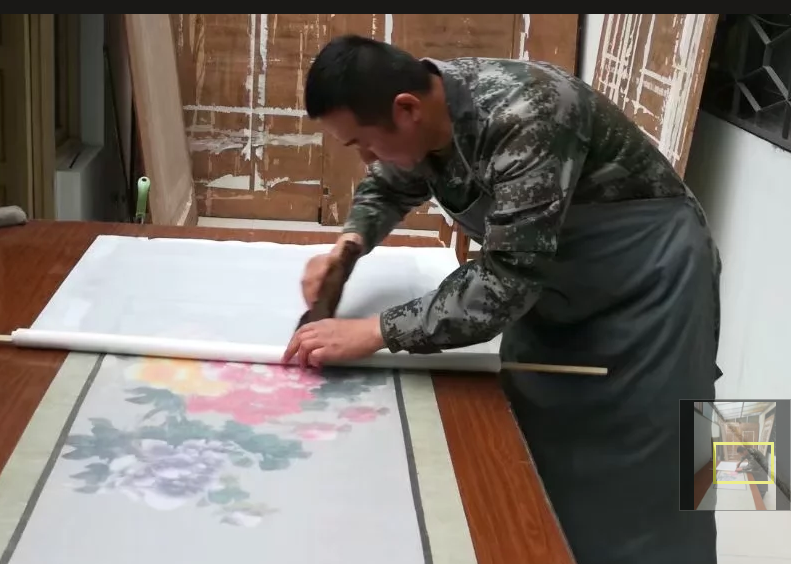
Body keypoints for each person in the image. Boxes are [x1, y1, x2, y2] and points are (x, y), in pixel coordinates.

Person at [283, 34, 722, 564]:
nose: (366, 158)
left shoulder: (527, 114)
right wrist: (346, 249)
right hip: (557, 281)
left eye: (362, 143)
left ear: (406, 110)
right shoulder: (427, 108)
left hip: (651, 278)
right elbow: (390, 183)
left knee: (667, 454)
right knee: (532, 436)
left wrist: (376, 330)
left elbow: (505, 282)